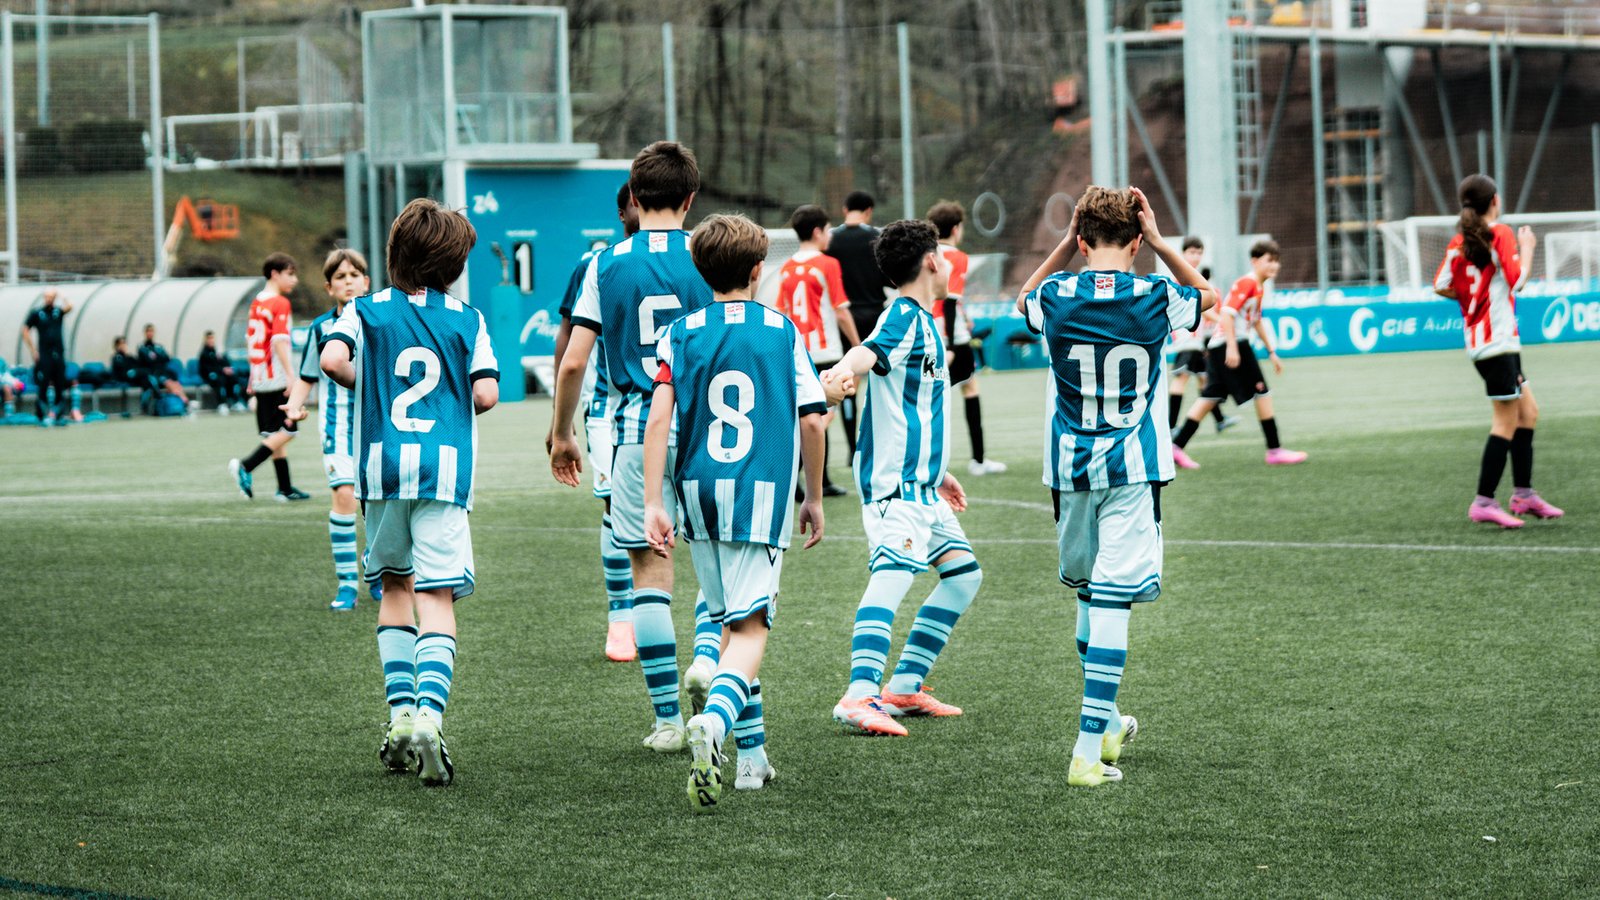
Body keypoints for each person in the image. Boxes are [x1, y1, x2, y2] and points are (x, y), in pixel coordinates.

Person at [1017, 186, 1216, 787]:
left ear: (1081, 241)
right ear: (1135, 241)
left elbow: (1023, 297)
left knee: (1087, 594)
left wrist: (1061, 246)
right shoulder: (1155, 294)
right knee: (1111, 601)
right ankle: (1086, 753)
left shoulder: (1055, 294)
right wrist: (1162, 242)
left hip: (1069, 470)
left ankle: (1105, 725)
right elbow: (1209, 296)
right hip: (1131, 468)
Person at [642, 213, 833, 812]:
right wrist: (814, 495)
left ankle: (752, 759)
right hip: (760, 497)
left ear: (701, 271)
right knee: (751, 631)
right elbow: (813, 419)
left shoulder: (680, 332)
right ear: (758, 269)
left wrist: (652, 501)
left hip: (698, 494)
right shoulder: (781, 330)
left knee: (730, 627)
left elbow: (658, 418)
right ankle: (715, 724)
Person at [321, 198, 499, 787]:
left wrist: (367, 383)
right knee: (436, 594)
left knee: (395, 586)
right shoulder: (468, 319)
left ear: (394, 255)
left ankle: (399, 714)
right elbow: (486, 395)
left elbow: (332, 360)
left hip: (381, 469)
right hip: (444, 474)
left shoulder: (365, 309)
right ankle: (429, 716)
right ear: (454, 265)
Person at [550, 141, 716, 753]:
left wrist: (563, 433)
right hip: (706, 432)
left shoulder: (604, 263)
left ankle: (667, 720)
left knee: (649, 573)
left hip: (631, 434)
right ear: (690, 198)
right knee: (717, 564)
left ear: (633, 197)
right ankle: (708, 661)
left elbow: (574, 362)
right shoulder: (709, 253)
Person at [822, 219, 984, 737]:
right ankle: (858, 694)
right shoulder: (904, 316)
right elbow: (867, 352)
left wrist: (939, 471)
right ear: (932, 261)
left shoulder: (925, 322)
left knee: (963, 577)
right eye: (944, 254)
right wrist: (842, 372)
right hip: (896, 488)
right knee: (892, 577)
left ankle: (904, 687)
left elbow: (912, 409)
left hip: (923, 485)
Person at [1433, 174, 1563, 527]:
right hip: (1497, 344)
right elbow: (1517, 279)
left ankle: (1524, 495)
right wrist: (1528, 247)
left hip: (1489, 343)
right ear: (1494, 201)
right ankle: (1484, 501)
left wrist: (1473, 298)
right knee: (1505, 422)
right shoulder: (1500, 233)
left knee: (1528, 412)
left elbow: (1441, 285)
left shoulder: (1460, 241)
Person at [548, 183, 641, 662]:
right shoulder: (595, 264)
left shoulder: (693, 257)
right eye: (634, 202)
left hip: (678, 408)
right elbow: (568, 342)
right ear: (622, 211)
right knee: (615, 507)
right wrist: (558, 420)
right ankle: (621, 617)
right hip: (610, 409)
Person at [283, 248, 376, 611]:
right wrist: (294, 406)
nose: (348, 282)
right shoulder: (321, 328)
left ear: (366, 282)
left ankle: (377, 571)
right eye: (340, 277)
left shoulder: (379, 320)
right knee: (344, 496)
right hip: (337, 428)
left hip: (375, 426)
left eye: (354, 276)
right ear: (329, 287)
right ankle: (347, 584)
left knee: (374, 505)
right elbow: (308, 375)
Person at [1170, 240, 1308, 468]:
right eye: (1269, 260)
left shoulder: (1258, 286)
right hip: (1231, 343)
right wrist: (1233, 347)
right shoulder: (1248, 282)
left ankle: (1176, 447)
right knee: (1262, 393)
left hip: (1222, 345)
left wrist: (1271, 351)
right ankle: (1274, 450)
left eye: (1276, 261)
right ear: (1255, 261)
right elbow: (1226, 313)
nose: (1274, 265)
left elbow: (1256, 320)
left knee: (1210, 397)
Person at [773, 203, 858, 497]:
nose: (830, 236)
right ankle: (793, 475)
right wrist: (857, 344)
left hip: (799, 352)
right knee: (823, 416)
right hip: (826, 351)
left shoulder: (786, 267)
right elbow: (841, 311)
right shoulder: (827, 264)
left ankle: (821, 480)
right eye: (829, 230)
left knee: (811, 414)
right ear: (818, 231)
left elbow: (780, 311)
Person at [927, 200, 1006, 475]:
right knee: (967, 389)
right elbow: (949, 302)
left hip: (928, 330)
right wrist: (950, 344)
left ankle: (928, 460)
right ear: (956, 228)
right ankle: (978, 460)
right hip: (951, 338)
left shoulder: (927, 253)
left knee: (932, 395)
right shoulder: (957, 257)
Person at [229, 253, 310, 501]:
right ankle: (246, 466)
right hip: (276, 377)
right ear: (275, 274)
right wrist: (291, 376)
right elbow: (279, 341)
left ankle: (284, 488)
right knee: (288, 431)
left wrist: (252, 380)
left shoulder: (256, 303)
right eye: (290, 274)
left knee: (274, 434)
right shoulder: (279, 303)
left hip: (261, 377)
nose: (294, 279)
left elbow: (252, 342)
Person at [825, 190, 888, 458]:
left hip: (845, 317)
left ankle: (853, 449)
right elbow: (887, 276)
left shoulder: (831, 239)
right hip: (875, 314)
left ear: (844, 209)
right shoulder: (877, 237)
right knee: (882, 379)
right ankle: (880, 444)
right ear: (869, 211)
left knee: (846, 380)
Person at [1167, 236, 1235, 433]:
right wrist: (1221, 320)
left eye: (1199, 253)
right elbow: (1198, 307)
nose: (1196, 256)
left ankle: (1220, 419)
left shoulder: (1191, 275)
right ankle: (1171, 426)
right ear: (1183, 254)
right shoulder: (1184, 276)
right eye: (1192, 252)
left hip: (1195, 338)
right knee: (1181, 378)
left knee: (1204, 379)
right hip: (1186, 336)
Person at [20, 288, 77, 424]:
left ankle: (58, 415)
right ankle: (42, 415)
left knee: (59, 384)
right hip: (44, 355)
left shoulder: (58, 312)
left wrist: (62, 295)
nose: (49, 299)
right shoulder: (37, 313)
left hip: (58, 354)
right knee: (43, 384)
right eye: (47, 296)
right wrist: (33, 350)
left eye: (51, 297)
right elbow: (25, 330)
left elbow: (70, 306)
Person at [136, 324, 191, 410]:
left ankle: (184, 403)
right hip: (152, 374)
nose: (150, 333)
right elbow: (148, 360)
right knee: (169, 383)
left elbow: (166, 358)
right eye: (148, 331)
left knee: (175, 383)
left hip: (161, 372)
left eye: (151, 331)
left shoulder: (158, 346)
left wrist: (157, 357)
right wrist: (157, 357)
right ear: (145, 333)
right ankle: (185, 403)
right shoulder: (142, 348)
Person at [198, 330, 248, 412]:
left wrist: (227, 368)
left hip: (220, 373)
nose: (211, 340)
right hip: (210, 376)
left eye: (212, 338)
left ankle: (234, 401)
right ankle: (221, 403)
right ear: (205, 340)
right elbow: (207, 368)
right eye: (209, 338)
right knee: (219, 380)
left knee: (232, 378)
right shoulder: (204, 353)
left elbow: (224, 363)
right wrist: (222, 370)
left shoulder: (217, 352)